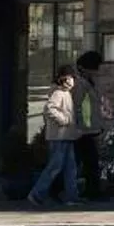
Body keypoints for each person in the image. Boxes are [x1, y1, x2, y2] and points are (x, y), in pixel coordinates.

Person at [26, 69, 81, 207]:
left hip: (67, 135)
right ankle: (36, 194)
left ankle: (72, 197)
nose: (72, 80)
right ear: (63, 79)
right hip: (59, 136)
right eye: (70, 78)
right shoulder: (58, 93)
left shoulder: (66, 93)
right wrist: (63, 120)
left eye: (72, 78)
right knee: (55, 167)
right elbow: (49, 109)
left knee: (70, 168)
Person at [72, 50, 106, 201]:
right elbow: (77, 106)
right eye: (95, 68)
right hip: (82, 130)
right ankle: (92, 192)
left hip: (89, 128)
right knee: (87, 161)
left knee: (87, 161)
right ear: (86, 67)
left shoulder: (88, 81)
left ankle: (92, 191)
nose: (97, 71)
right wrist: (79, 127)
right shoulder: (79, 83)